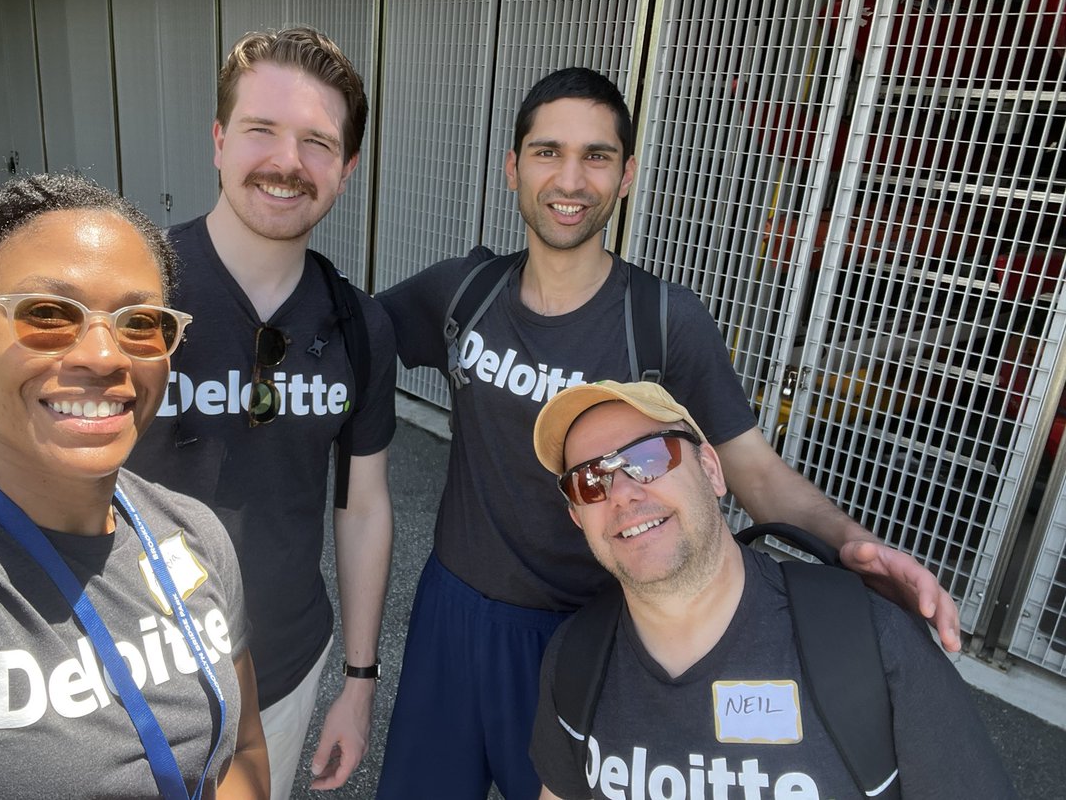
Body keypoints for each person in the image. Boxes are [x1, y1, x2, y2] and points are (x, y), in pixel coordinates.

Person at [374, 67, 960, 800]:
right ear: (512, 167)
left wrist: (853, 549)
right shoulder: (463, 291)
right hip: (452, 613)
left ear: (626, 177)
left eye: (597, 156)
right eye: (548, 151)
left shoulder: (660, 318)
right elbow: (347, 338)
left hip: (587, 638)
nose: (571, 178)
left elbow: (752, 469)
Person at [0, 173, 270, 798]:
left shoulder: (194, 533)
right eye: (48, 314)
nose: (105, 356)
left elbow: (242, 749)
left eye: (141, 322)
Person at [125, 27, 396, 798]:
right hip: (119, 673)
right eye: (261, 131)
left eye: (318, 142)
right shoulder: (133, 293)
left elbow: (364, 508)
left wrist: (360, 680)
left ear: (346, 169)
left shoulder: (358, 326)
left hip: (281, 673)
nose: (287, 162)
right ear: (218, 141)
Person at [526, 379, 1017, 800]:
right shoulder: (577, 656)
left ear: (712, 470)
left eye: (650, 457)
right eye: (591, 481)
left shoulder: (869, 642)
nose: (624, 494)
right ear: (576, 516)